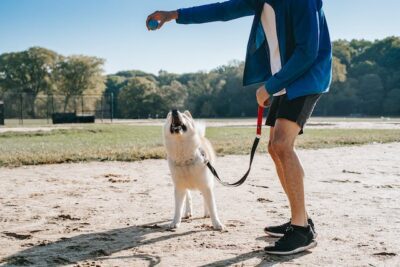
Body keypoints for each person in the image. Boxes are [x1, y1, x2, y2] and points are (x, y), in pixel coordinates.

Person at [147, 0, 332, 255]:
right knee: (274, 148)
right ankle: (299, 219)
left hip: (306, 76)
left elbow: (308, 51)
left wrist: (270, 85)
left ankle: (301, 231)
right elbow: (223, 10)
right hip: (285, 78)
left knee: (282, 145)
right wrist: (174, 15)